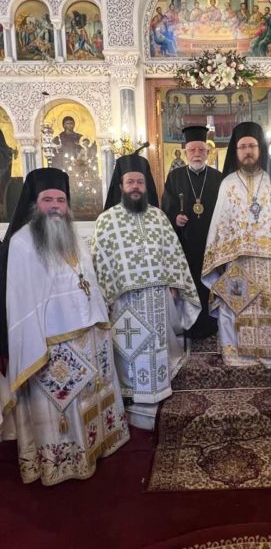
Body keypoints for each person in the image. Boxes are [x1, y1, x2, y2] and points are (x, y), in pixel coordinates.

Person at [0, 167, 129, 485]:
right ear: (35, 203)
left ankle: (98, 446)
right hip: (51, 346)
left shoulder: (75, 239)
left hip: (90, 335)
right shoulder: (22, 243)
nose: (55, 206)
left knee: (92, 399)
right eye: (48, 200)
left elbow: (89, 282)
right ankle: (65, 462)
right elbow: (21, 303)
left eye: (61, 200)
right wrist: (38, 344)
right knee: (64, 405)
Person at [92, 154, 201, 407]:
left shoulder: (158, 217)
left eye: (140, 182)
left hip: (157, 298)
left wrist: (175, 282)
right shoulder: (106, 220)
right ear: (121, 186)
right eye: (130, 182)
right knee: (131, 345)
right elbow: (100, 261)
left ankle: (161, 386)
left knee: (157, 343)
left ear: (146, 185)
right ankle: (131, 390)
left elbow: (172, 252)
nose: (135, 187)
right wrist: (105, 296)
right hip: (124, 301)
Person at [202, 121, 271, 367]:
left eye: (252, 146)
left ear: (260, 149)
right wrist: (218, 259)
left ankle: (267, 355)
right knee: (236, 306)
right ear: (235, 151)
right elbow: (219, 223)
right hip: (236, 259)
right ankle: (237, 354)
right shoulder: (228, 183)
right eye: (242, 147)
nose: (248, 151)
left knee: (268, 307)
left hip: (267, 260)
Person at [162, 126, 222, 339]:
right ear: (185, 152)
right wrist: (175, 219)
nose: (197, 154)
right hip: (185, 247)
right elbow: (165, 208)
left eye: (201, 150)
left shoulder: (218, 178)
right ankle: (189, 327)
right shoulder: (175, 177)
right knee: (190, 287)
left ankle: (211, 326)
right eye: (192, 150)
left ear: (208, 152)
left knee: (209, 286)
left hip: (211, 246)